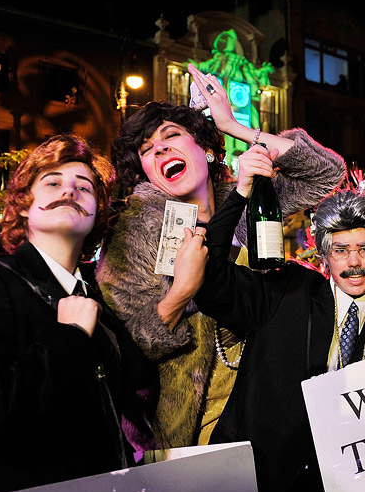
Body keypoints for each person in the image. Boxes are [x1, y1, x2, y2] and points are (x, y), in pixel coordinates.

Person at [187, 144, 365, 492]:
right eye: (341, 250)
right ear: (324, 255)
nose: (354, 263)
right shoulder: (286, 290)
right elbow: (210, 277)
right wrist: (240, 194)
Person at [97, 65, 346, 447]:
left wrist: (233, 126)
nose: (159, 148)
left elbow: (325, 172)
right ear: (145, 171)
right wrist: (180, 294)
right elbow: (130, 345)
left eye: (171, 135)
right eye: (147, 150)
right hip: (196, 427)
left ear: (207, 149)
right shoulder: (135, 230)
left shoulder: (246, 198)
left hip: (272, 402)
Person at [0, 134, 156, 492]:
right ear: (24, 205)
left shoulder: (100, 305)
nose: (69, 191)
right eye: (53, 183)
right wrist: (68, 337)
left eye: (84, 188)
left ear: (97, 213)